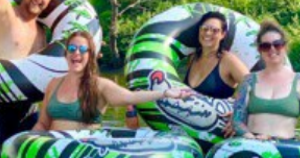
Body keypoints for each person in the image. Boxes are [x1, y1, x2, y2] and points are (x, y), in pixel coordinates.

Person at [34, 30, 192, 132]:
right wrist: (25, 142)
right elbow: (42, 124)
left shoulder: (99, 85)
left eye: (83, 50)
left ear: (90, 56)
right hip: (53, 155)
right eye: (72, 49)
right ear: (66, 53)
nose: (77, 53)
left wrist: (165, 93)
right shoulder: (54, 83)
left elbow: (131, 97)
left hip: (81, 155)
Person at [232, 20, 300, 146]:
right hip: (253, 145)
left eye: (277, 45)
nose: (272, 49)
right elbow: (237, 119)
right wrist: (249, 137)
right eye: (266, 46)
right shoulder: (248, 80)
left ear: (285, 47)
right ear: (260, 50)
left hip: (287, 147)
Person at [184, 11, 249, 98]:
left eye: (215, 30)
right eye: (205, 28)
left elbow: (253, 86)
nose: (208, 33)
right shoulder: (193, 58)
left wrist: (234, 104)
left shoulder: (228, 61)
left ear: (222, 34)